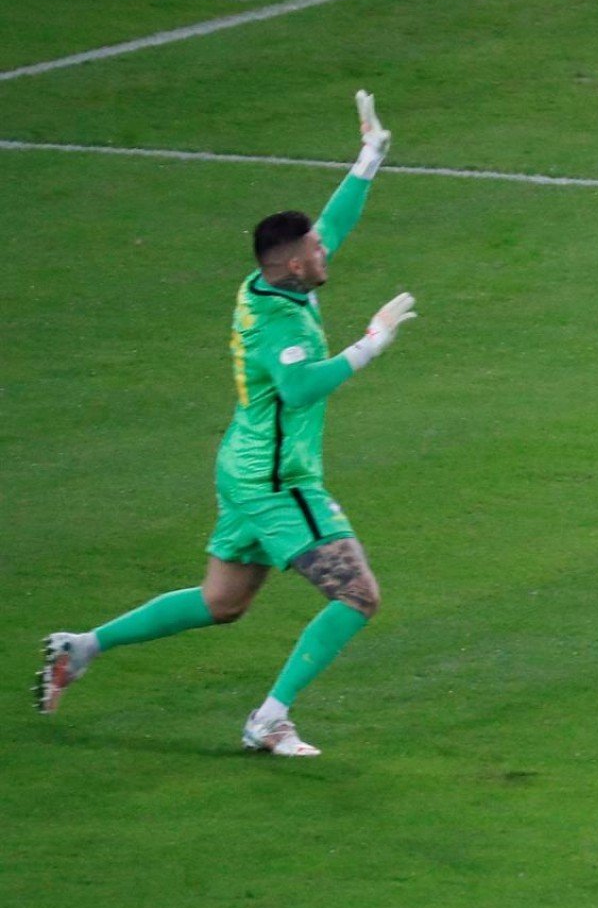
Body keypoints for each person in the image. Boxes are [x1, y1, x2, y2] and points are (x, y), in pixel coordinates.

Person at [36, 92, 419, 759]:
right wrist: (373, 342)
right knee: (357, 595)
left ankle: (83, 646)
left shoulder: (269, 283)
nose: (327, 249)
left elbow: (330, 225)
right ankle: (269, 718)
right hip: (277, 479)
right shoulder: (278, 321)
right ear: (296, 265)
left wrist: (369, 158)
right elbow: (299, 388)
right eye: (315, 249)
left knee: (223, 602)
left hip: (242, 465)